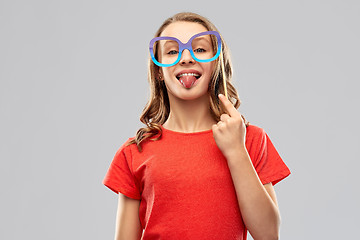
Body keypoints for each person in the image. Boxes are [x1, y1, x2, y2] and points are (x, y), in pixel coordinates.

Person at [103, 12, 291, 240]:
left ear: (215, 63)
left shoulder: (248, 139)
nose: (186, 58)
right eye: (172, 51)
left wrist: (235, 150)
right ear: (158, 71)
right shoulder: (134, 151)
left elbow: (268, 234)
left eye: (200, 49)